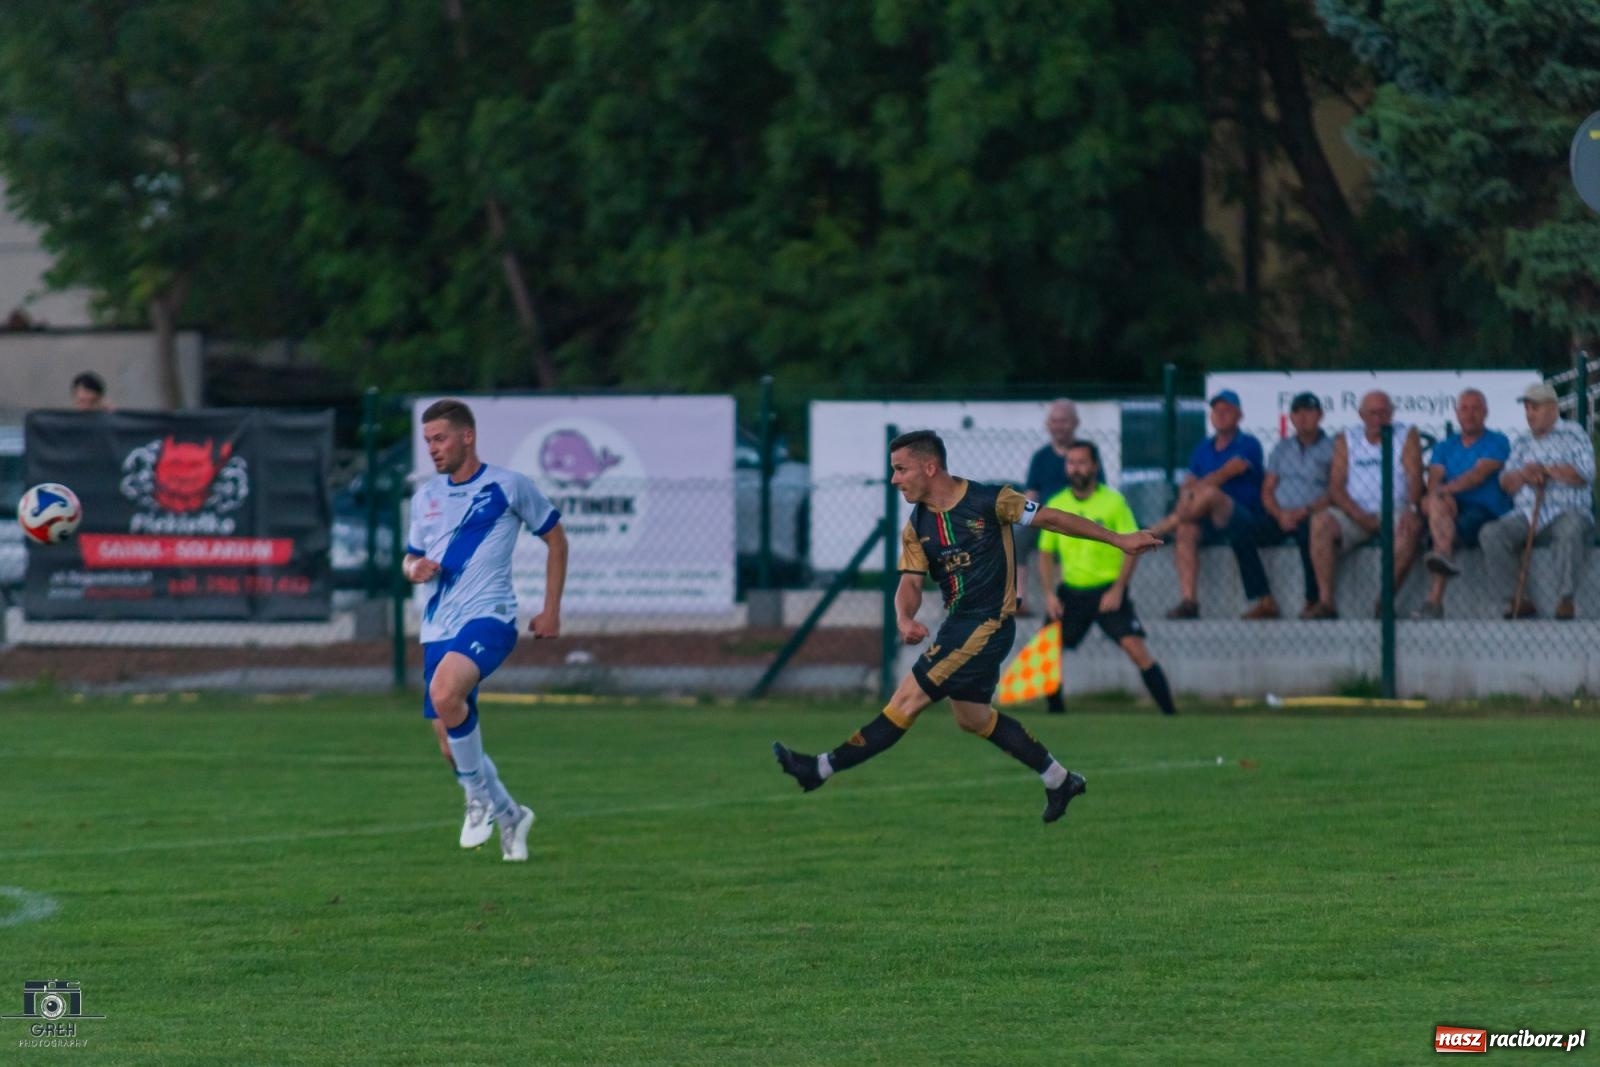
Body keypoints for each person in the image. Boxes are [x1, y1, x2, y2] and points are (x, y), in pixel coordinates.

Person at [772, 429, 1161, 824]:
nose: (894, 479)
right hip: (957, 626)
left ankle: (818, 768)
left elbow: (1052, 518)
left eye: (901, 469)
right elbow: (909, 582)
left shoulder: (990, 500)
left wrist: (1118, 539)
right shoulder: (916, 525)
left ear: (930, 466)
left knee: (906, 701)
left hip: (988, 624)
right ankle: (1059, 778)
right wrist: (904, 617)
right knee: (972, 718)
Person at [402, 398, 569, 860]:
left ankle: (476, 800)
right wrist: (413, 568)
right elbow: (410, 556)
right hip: (438, 627)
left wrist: (551, 608)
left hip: (490, 617)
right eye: (428, 441)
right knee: (450, 745)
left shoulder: (508, 486)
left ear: (467, 436)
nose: (433, 449)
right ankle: (509, 813)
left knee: (443, 695)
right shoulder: (426, 498)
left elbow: (555, 537)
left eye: (441, 439)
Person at [1037, 440, 1177, 716]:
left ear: (1094, 466)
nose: (1075, 468)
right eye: (1071, 462)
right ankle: (1056, 715)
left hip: (1107, 592)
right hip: (1071, 593)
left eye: (1081, 462)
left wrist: (1118, 589)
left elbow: (1132, 549)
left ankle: (1170, 714)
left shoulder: (1113, 502)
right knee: (1047, 650)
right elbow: (1045, 553)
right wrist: (1050, 594)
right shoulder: (1057, 504)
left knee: (1135, 648)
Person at [1149, 389, 1278, 619]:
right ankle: (1189, 601)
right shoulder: (1203, 448)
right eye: (1216, 410)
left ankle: (1158, 530)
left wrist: (1194, 490)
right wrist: (1190, 494)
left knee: (1211, 494)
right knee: (1186, 530)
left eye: (1227, 410)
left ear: (1239, 416)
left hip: (1242, 514)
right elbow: (1186, 484)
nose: (1220, 415)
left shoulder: (1248, 443)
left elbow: (1226, 473)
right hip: (1204, 516)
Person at [1477, 382, 1594, 620]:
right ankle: (1517, 599)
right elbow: (1505, 484)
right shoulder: (1522, 442)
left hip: (1566, 510)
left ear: (1552, 409)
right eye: (1527, 409)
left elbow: (1585, 473)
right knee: (1491, 533)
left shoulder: (1574, 434)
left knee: (1570, 529)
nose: (1529, 414)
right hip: (1527, 514)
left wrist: (1547, 471)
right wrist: (1523, 475)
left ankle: (1565, 599)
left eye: (1535, 408)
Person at [1306, 390, 1423, 619]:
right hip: (1354, 511)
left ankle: (1384, 600)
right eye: (1371, 413)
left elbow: (1414, 477)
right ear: (1361, 415)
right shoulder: (1347, 438)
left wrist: (1412, 509)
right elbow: (1336, 486)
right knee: (1320, 523)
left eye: (1383, 413)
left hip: (1394, 509)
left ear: (1391, 414)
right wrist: (1358, 515)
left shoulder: (1406, 435)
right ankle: (1326, 602)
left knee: (1409, 529)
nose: (1377, 419)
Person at [1415, 389, 1512, 618]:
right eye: (1465, 409)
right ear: (1457, 413)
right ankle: (1440, 572)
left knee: (1437, 514)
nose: (1470, 414)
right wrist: (1438, 496)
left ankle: (1434, 600)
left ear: (1486, 412)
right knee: (1434, 506)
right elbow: (1434, 479)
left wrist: (1442, 492)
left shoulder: (1498, 441)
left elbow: (1477, 475)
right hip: (1449, 509)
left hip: (1484, 511)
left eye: (1476, 408)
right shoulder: (1445, 446)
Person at [1261, 392, 1334, 617]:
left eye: (1308, 412)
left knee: (1310, 536)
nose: (1302, 417)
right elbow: (1267, 488)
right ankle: (1262, 598)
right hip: (1280, 514)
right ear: (1291, 417)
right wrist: (1279, 514)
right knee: (1242, 533)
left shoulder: (1332, 448)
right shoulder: (1282, 448)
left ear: (1320, 415)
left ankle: (1312, 601)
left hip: (1312, 512)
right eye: (1297, 412)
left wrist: (1307, 511)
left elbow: (1336, 490)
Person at [1024, 398, 1082, 507]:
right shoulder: (1040, 457)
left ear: (1076, 423)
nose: (1058, 427)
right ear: (1047, 424)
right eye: (1054, 421)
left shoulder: (1087, 456)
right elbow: (1031, 494)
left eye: (1063, 421)